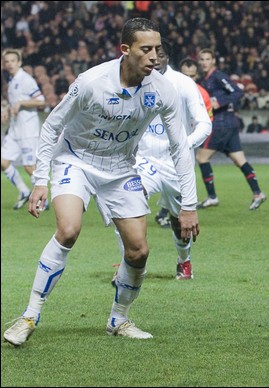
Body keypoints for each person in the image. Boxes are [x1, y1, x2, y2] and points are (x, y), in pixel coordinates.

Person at [3, 18, 200, 346]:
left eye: (158, 49)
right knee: (68, 230)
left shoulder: (164, 89)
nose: (155, 56)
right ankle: (29, 316)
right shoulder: (92, 81)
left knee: (138, 251)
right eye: (146, 49)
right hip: (75, 160)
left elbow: (180, 146)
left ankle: (118, 319)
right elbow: (52, 126)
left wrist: (189, 206)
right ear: (125, 49)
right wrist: (40, 181)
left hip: (121, 169)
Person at [111, 38, 211, 280]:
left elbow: (204, 124)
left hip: (177, 165)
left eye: (160, 55)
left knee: (180, 222)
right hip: (145, 162)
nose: (154, 59)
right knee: (127, 204)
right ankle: (131, 262)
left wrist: (183, 144)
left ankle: (184, 261)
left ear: (167, 58)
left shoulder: (183, 84)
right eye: (148, 52)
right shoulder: (136, 81)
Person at [196, 48, 267, 211]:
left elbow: (238, 92)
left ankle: (212, 196)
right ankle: (258, 193)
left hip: (220, 124)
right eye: (202, 59)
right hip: (230, 123)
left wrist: (218, 102)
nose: (204, 62)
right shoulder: (206, 79)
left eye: (207, 59)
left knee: (201, 158)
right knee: (239, 160)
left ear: (213, 60)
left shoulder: (218, 77)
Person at [153, 56, 215, 229]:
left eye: (193, 76)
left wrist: (189, 140)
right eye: (187, 74)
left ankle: (169, 216)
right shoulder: (155, 84)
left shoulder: (198, 92)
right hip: (153, 150)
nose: (190, 78)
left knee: (179, 199)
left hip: (182, 148)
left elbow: (207, 119)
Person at [1, 48, 46, 210]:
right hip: (15, 129)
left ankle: (42, 199)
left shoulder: (26, 79)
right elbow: (15, 101)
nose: (9, 64)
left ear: (19, 62)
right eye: (7, 62)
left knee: (29, 166)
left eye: (13, 61)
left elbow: (41, 100)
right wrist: (7, 109)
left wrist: (21, 104)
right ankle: (24, 191)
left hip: (28, 129)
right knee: (3, 161)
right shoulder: (12, 81)